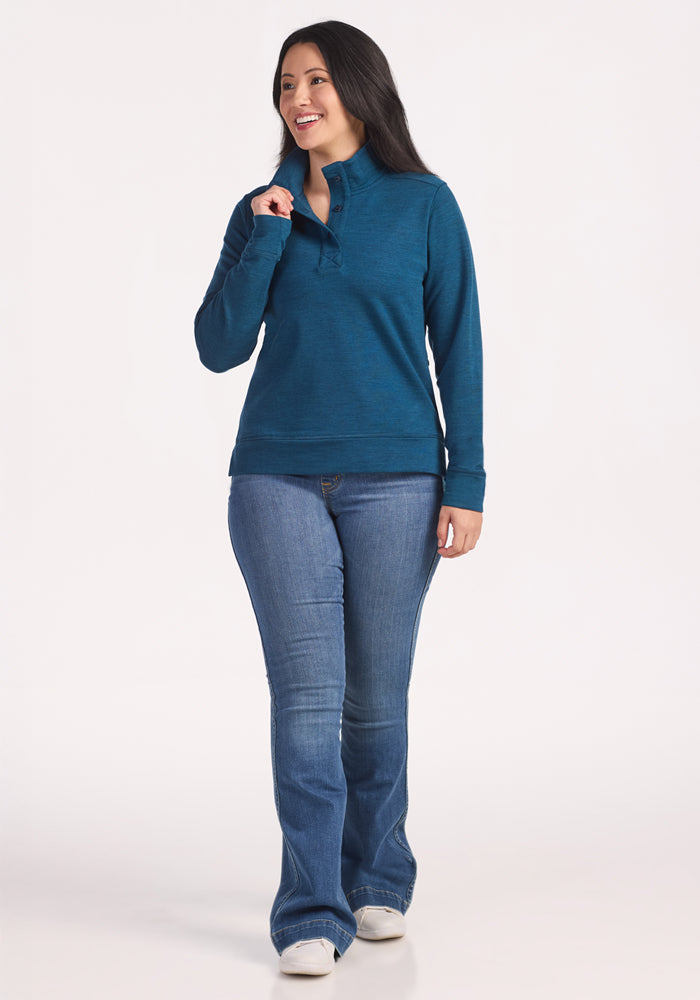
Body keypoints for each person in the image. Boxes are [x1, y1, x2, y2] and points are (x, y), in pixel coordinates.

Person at [194, 19, 485, 977]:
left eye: (316, 79)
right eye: (286, 84)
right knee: (307, 704)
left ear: (359, 87)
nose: (299, 99)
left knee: (375, 700)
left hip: (400, 479)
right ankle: (309, 910)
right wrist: (267, 235)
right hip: (274, 476)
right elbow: (218, 345)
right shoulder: (261, 209)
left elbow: (460, 345)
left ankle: (378, 879)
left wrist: (467, 480)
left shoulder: (425, 203)